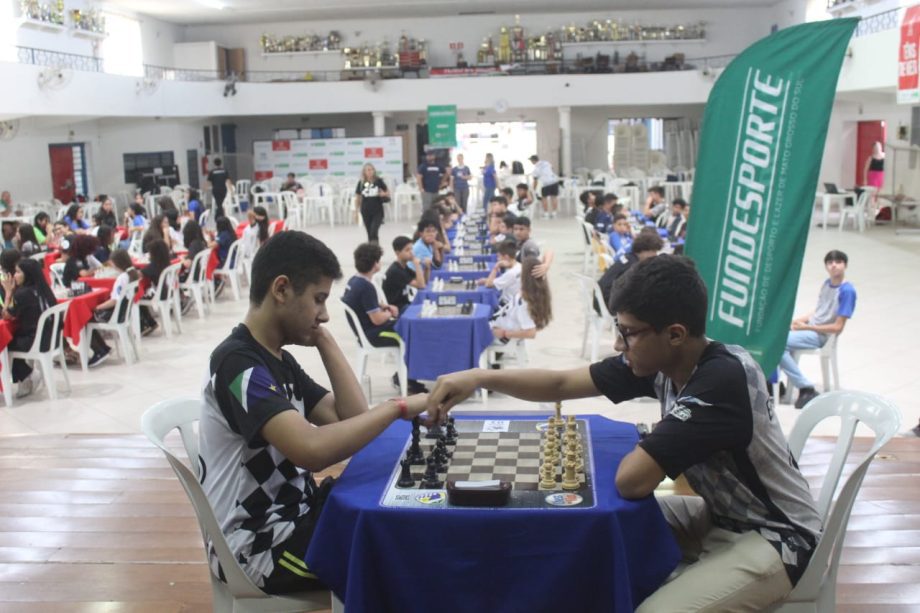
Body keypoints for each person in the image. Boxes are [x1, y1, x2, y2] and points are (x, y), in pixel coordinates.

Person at [426, 255, 822, 612]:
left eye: (629, 333)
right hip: (716, 517)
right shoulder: (667, 363)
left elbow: (633, 481)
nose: (618, 344)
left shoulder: (721, 380)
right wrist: (477, 376)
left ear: (675, 334)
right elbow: (562, 383)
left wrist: (659, 438)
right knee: (583, 531)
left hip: (777, 538)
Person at [198, 231, 429, 594]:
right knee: (397, 557)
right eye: (319, 300)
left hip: (301, 517)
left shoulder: (279, 360)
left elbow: (352, 419)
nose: (323, 314)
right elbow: (312, 450)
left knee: (400, 519)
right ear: (281, 289)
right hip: (260, 544)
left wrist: (324, 338)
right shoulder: (237, 365)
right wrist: (397, 406)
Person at [342, 243, 426, 395]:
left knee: (409, 328)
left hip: (366, 330)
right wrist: (390, 313)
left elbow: (367, 305)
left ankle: (407, 376)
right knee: (412, 335)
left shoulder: (354, 281)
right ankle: (405, 379)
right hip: (374, 334)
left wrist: (384, 306)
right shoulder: (367, 287)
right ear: (375, 264)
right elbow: (377, 320)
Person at [779, 250, 856, 409]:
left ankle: (806, 387)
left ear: (845, 265)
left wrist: (807, 327)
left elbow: (838, 327)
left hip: (822, 335)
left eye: (838, 262)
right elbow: (818, 312)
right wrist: (796, 322)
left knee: (779, 344)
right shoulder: (827, 284)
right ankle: (774, 383)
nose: (834, 265)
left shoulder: (847, 291)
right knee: (774, 337)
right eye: (830, 262)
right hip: (811, 329)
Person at [1, 258, 57, 397]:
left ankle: (27, 375)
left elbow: (5, 316)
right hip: (52, 338)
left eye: (18, 272)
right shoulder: (44, 289)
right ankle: (25, 377)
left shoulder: (22, 294)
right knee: (12, 339)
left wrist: (8, 294)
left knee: (4, 343)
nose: (14, 275)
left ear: (28, 274)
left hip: (35, 340)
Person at [598, 230, 663, 315]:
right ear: (642, 250)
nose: (655, 255)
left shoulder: (628, 257)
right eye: (653, 251)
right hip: (608, 303)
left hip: (599, 299)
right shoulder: (634, 267)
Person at [490, 256, 552, 345]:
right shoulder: (531, 293)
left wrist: (505, 333)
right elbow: (549, 252)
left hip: (497, 335)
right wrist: (546, 265)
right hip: (497, 323)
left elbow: (531, 333)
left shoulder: (524, 303)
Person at [382, 236, 426, 313]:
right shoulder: (396, 271)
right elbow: (421, 285)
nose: (411, 252)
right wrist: (417, 264)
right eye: (407, 250)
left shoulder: (404, 267)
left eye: (412, 249)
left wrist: (427, 268)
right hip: (396, 307)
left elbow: (423, 282)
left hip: (405, 303)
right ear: (397, 253)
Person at [354, 163, 389, 244]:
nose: (370, 171)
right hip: (365, 210)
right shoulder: (361, 183)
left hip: (377, 210)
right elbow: (358, 198)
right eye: (368, 170)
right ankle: (372, 251)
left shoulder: (379, 181)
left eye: (372, 169)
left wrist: (383, 194)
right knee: (369, 233)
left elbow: (387, 192)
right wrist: (356, 212)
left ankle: (375, 250)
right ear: (364, 172)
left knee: (374, 231)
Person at [529, 154, 560, 219]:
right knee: (554, 197)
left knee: (544, 198)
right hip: (554, 181)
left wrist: (533, 190)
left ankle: (546, 213)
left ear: (533, 161)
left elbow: (535, 181)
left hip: (546, 183)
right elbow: (552, 168)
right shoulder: (546, 163)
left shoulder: (536, 169)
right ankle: (554, 213)